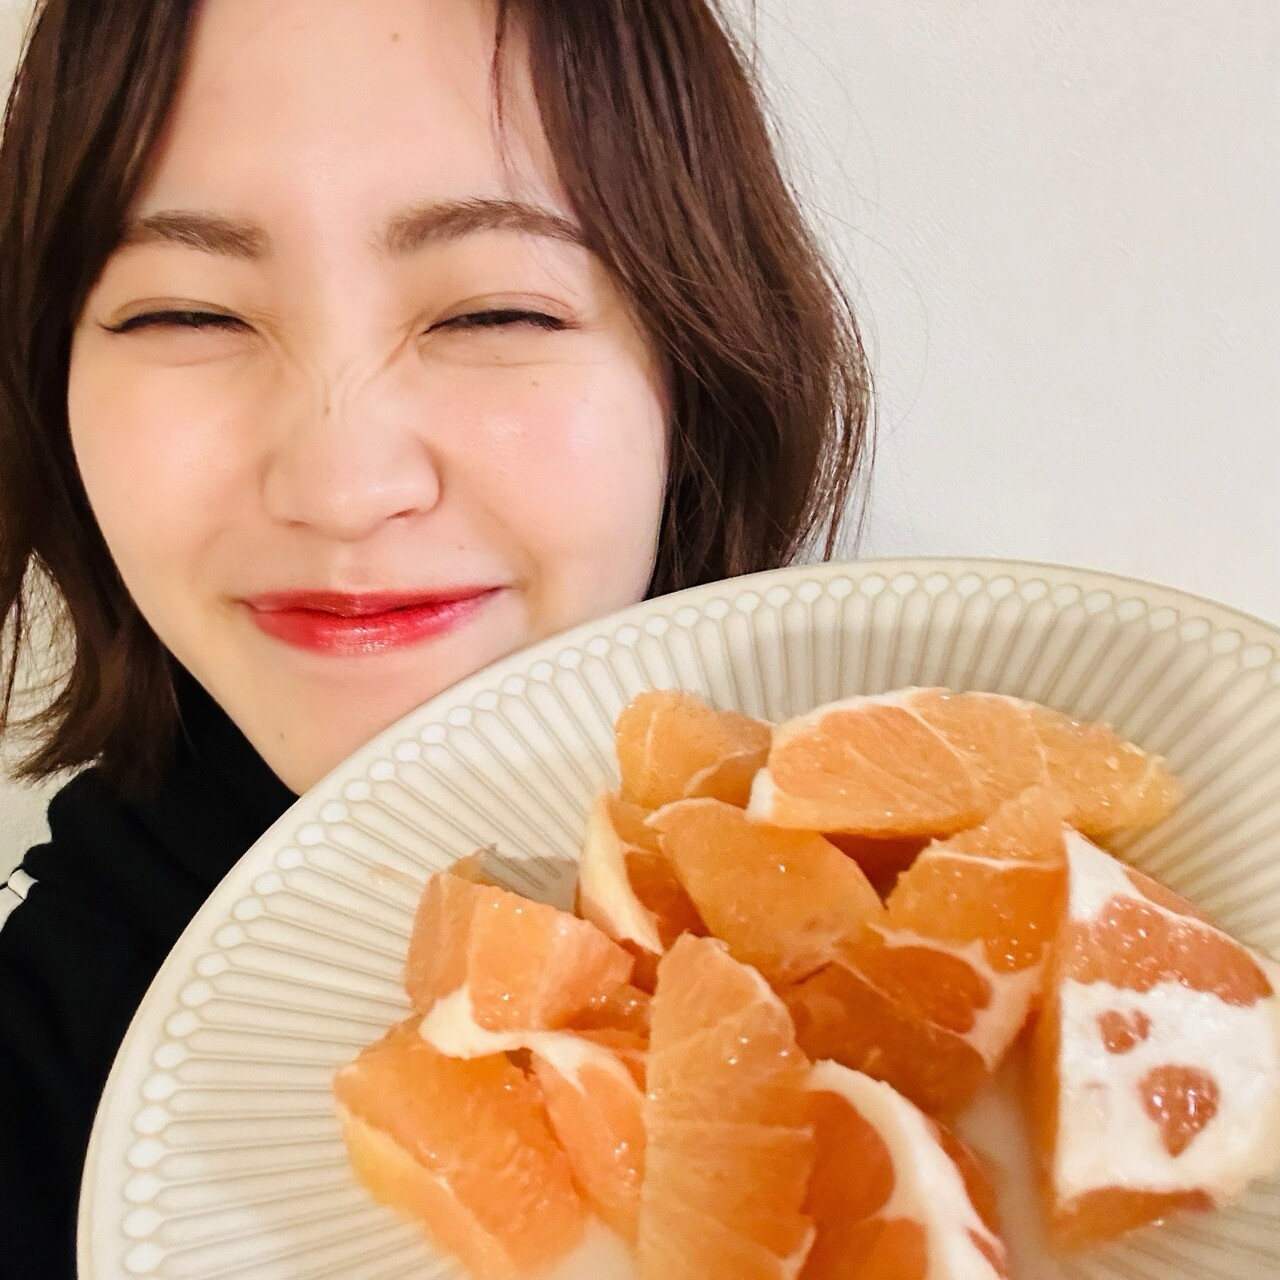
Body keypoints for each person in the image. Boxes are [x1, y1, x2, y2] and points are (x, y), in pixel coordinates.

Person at [0, 0, 870, 1274]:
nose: (342, 487)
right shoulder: (50, 1078)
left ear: (698, 366)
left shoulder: (962, 878)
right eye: (188, 314)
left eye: (492, 313)